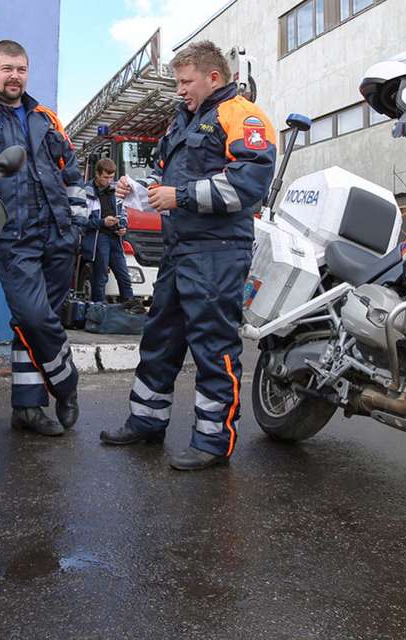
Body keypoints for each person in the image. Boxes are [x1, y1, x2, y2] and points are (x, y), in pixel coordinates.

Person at [98, 41, 276, 471]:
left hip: (217, 252)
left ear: (213, 77)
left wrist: (178, 195)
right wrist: (140, 189)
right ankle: (146, 421)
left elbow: (248, 185)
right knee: (160, 339)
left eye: (185, 81)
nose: (179, 90)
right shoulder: (185, 120)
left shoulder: (244, 117)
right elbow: (168, 177)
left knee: (213, 346)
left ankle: (214, 442)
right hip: (181, 251)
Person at [0, 40, 81, 436]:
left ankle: (28, 408)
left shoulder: (44, 117)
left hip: (59, 234)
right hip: (14, 237)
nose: (15, 76)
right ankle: (66, 384)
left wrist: (76, 222)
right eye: (7, 69)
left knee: (29, 325)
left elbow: (71, 169)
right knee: (35, 317)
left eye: (21, 69)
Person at [77, 158, 135, 303]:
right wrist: (103, 222)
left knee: (125, 278)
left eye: (111, 177)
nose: (109, 181)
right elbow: (81, 221)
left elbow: (124, 213)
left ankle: (131, 313)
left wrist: (122, 226)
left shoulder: (116, 190)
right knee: (100, 278)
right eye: (105, 177)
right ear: (97, 174)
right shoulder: (86, 191)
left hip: (115, 238)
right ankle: (99, 313)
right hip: (99, 238)